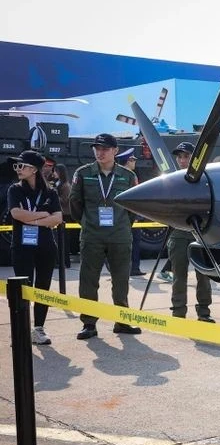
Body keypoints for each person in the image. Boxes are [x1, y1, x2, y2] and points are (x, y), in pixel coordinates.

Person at [68, 133, 142, 339]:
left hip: (119, 236)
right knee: (89, 280)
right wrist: (86, 223)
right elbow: (75, 203)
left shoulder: (128, 176)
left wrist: (125, 226)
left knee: (121, 280)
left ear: (115, 151)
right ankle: (89, 323)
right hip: (92, 236)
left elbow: (133, 207)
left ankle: (122, 320)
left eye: (105, 149)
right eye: (97, 149)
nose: (100, 152)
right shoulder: (83, 173)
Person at [6, 150, 64, 344]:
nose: (18, 169)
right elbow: (17, 214)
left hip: (46, 246)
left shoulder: (50, 192)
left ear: (34, 170)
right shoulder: (15, 190)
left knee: (42, 288)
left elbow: (58, 218)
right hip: (22, 247)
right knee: (22, 288)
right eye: (17, 166)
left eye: (21, 166)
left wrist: (35, 220)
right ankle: (20, 328)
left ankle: (38, 328)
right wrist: (44, 216)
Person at [167, 142, 214, 322]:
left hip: (200, 235)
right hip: (178, 235)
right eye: (179, 157)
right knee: (179, 276)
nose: (182, 160)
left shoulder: (205, 179)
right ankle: (178, 313)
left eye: (186, 156)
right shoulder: (171, 179)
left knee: (204, 277)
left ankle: (204, 312)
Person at [116, 148, 146, 275]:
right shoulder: (131, 176)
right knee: (134, 242)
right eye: (133, 160)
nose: (134, 162)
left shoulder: (117, 175)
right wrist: (138, 215)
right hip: (131, 217)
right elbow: (136, 198)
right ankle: (134, 268)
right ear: (127, 161)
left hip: (121, 217)